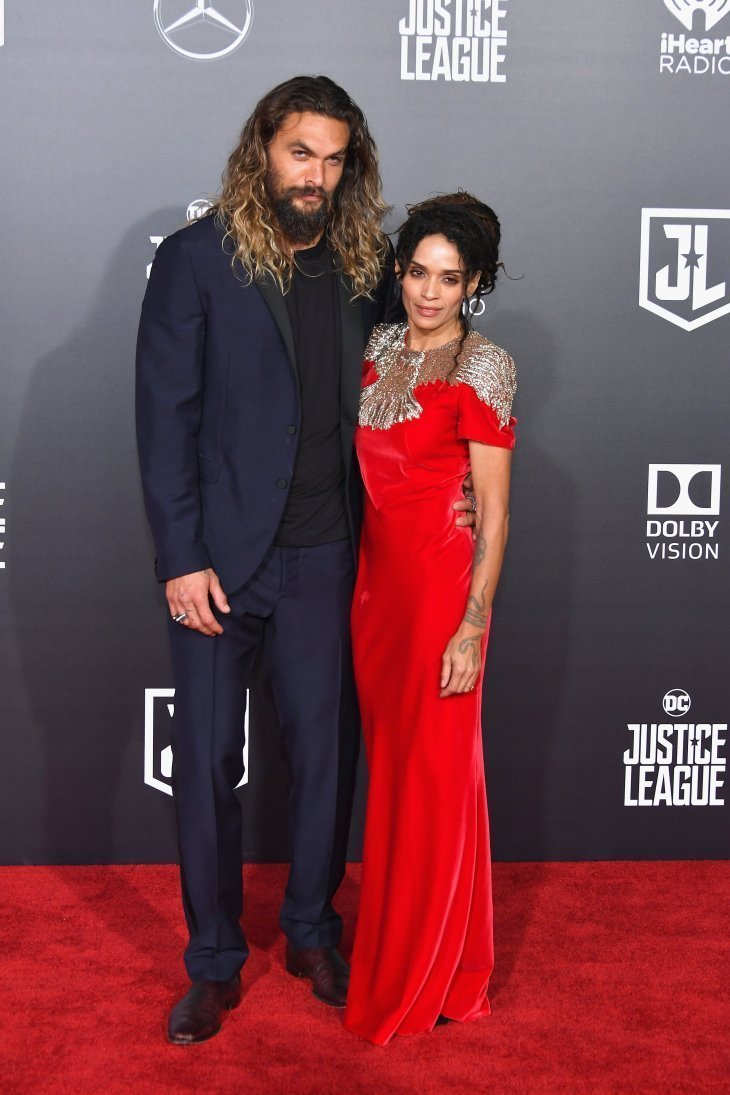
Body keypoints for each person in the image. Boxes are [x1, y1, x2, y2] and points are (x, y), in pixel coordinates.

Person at [136, 77, 475, 1045]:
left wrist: (453, 476)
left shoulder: (366, 262)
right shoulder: (196, 261)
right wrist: (180, 555)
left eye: (332, 159)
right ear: (263, 152)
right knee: (204, 761)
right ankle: (211, 962)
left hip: (331, 555)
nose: (314, 176)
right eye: (300, 154)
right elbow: (165, 418)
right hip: (218, 566)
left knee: (327, 760)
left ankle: (312, 931)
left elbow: (426, 367)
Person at [343, 193, 517, 1045]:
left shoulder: (484, 367)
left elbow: (492, 511)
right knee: (399, 784)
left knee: (438, 786)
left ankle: (431, 972)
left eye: (450, 278)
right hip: (376, 600)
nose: (429, 292)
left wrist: (471, 626)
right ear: (400, 270)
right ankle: (434, 956)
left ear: (474, 283)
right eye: (418, 271)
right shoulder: (376, 349)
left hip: (443, 601)